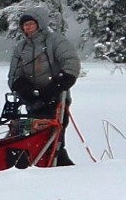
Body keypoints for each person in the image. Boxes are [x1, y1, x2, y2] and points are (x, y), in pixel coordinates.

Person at [7, 9, 80, 166]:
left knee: (55, 138)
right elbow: (14, 75)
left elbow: (71, 63)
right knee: (36, 137)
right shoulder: (21, 48)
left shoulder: (55, 41)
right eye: (25, 25)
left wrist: (56, 87)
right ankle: (45, 164)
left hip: (56, 98)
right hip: (33, 101)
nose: (28, 28)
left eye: (31, 24)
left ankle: (60, 165)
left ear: (40, 24)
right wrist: (26, 90)